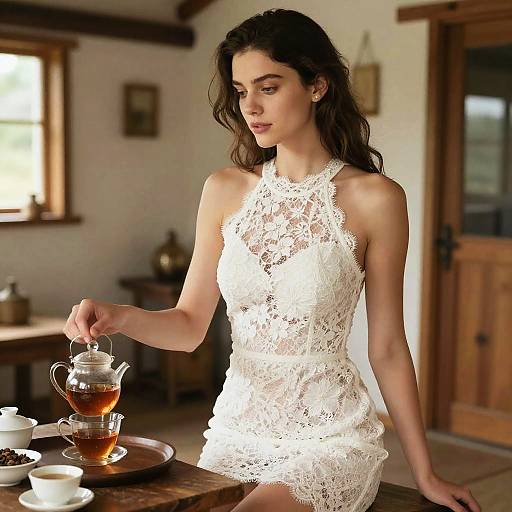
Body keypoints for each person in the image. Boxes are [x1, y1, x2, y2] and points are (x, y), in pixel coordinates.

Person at [63, 9, 481, 512]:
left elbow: (388, 347)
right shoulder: (223, 190)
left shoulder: (376, 199)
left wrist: (426, 473)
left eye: (268, 87)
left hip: (329, 439)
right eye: (240, 91)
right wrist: (120, 316)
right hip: (236, 432)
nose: (250, 108)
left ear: (316, 86)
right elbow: (189, 325)